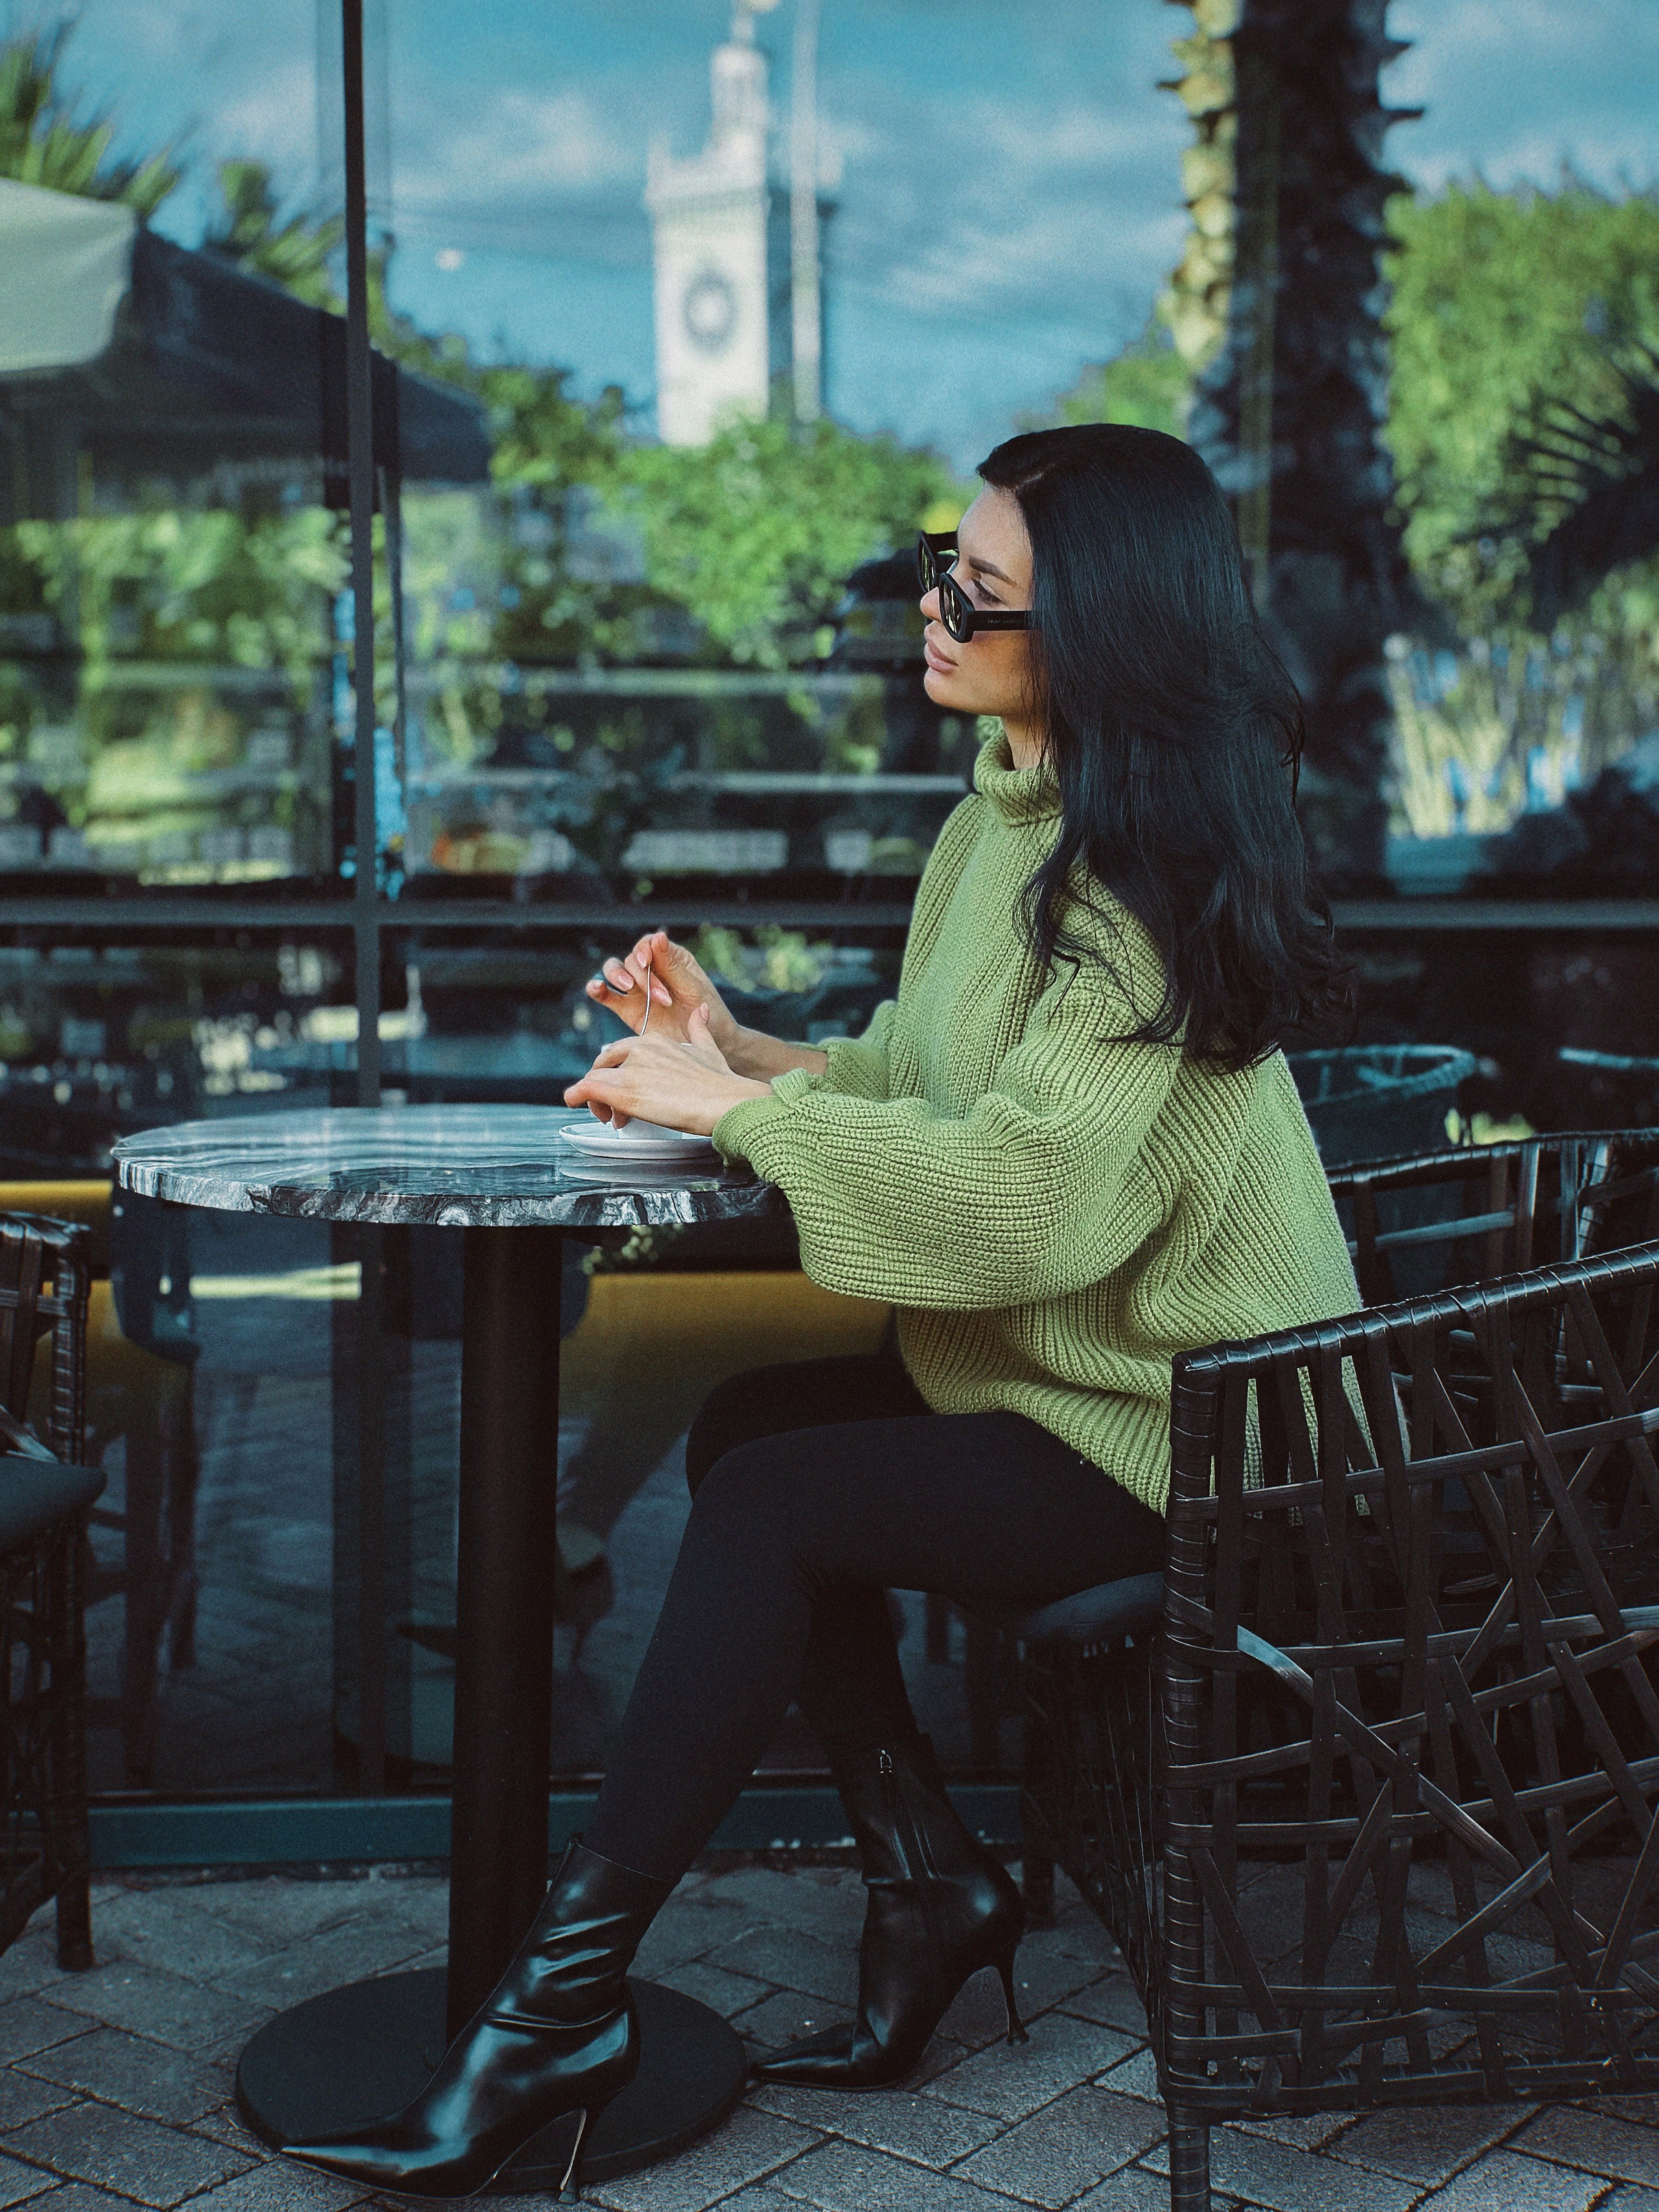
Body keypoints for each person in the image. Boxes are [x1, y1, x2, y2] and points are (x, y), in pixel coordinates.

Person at [284, 423, 1361, 2198]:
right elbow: (919, 1081)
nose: (928, 608)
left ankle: (555, 2016)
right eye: (943, 563)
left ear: (1093, 638)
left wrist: (739, 1118)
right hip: (1073, 1386)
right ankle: (933, 1875)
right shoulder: (993, 831)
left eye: (979, 596)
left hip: (1201, 1435)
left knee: (781, 1500)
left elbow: (1024, 1198)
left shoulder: (1138, 897)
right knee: (748, 1430)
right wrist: (742, 1052)